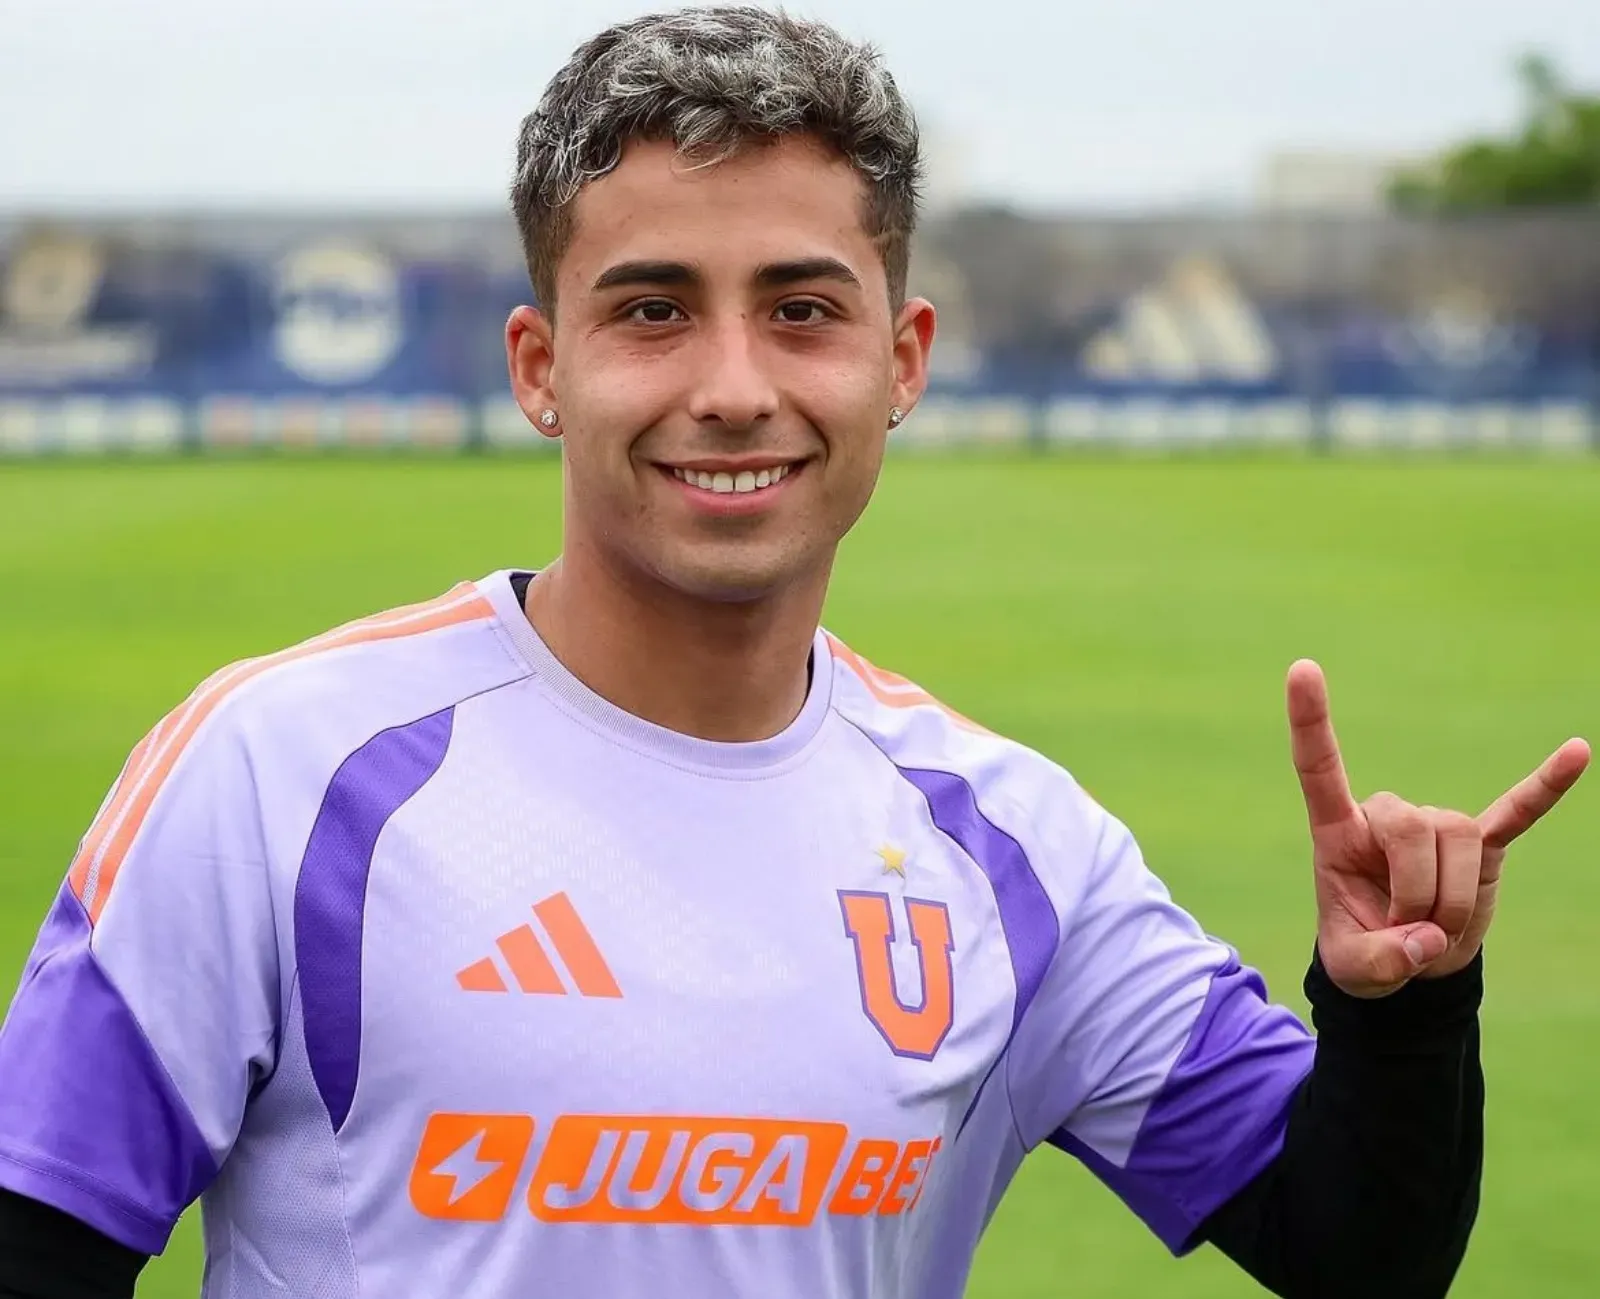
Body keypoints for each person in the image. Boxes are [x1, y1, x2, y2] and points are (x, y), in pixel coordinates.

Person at [0, 8, 1588, 1298]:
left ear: (902, 360)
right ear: (541, 367)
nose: (737, 383)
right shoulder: (275, 769)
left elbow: (1355, 1251)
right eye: (653, 310)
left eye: (804, 308)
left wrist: (1397, 1014)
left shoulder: (1014, 846)